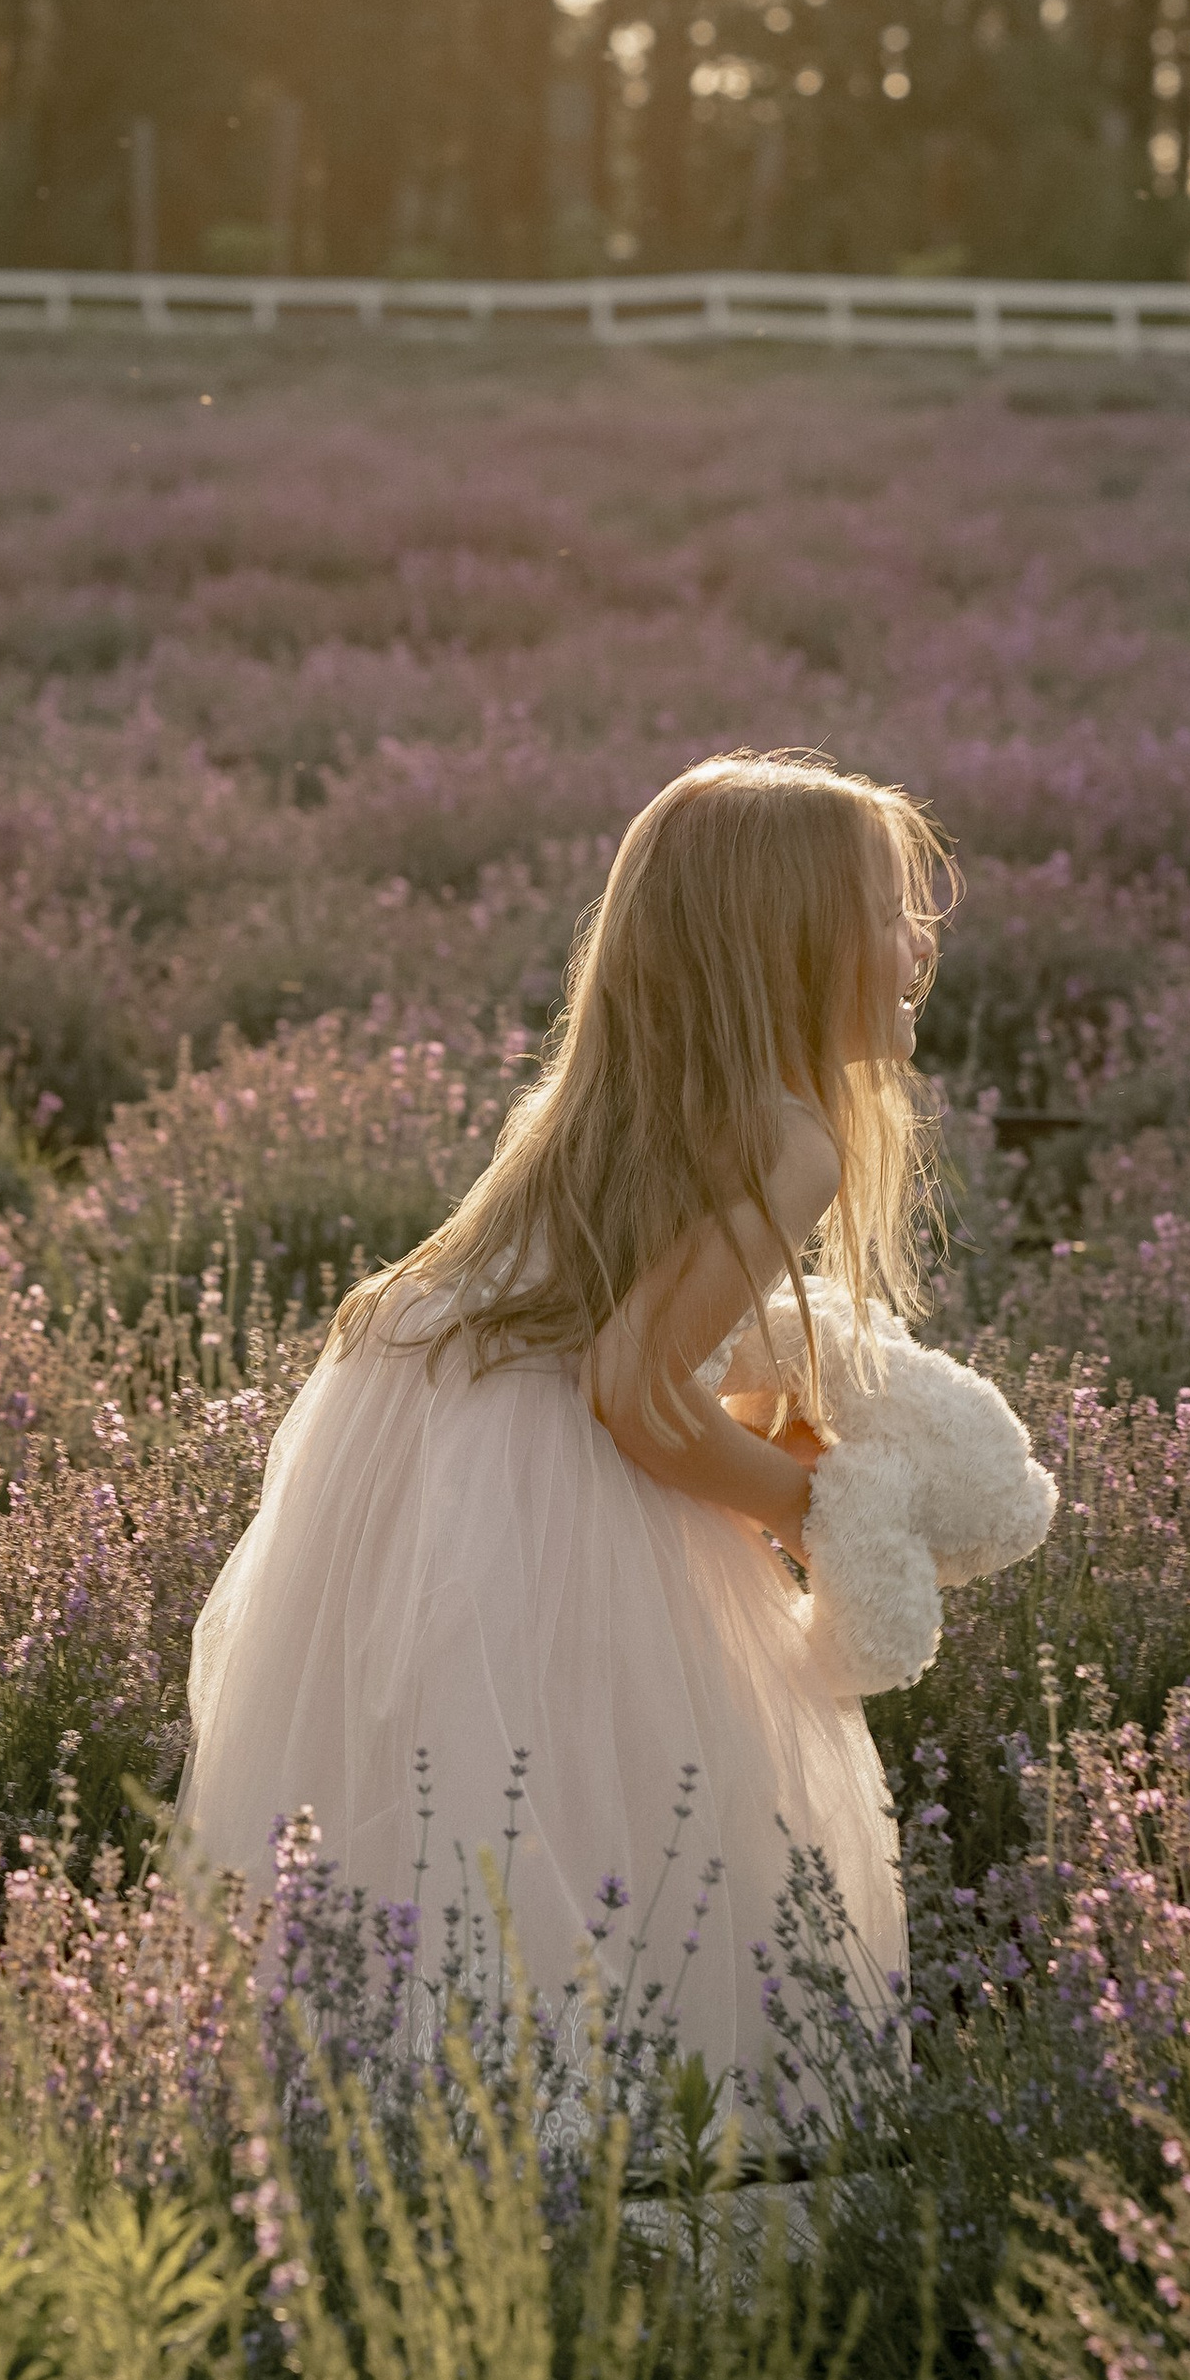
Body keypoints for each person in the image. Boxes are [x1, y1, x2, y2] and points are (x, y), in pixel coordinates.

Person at [174, 749, 951, 2101]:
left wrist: (769, 1431)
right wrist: (826, 1515)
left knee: (456, 1808)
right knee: (634, 1821)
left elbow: (633, 1342)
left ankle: (414, 2145)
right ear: (795, 943)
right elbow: (633, 1390)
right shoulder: (786, 1140)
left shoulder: (616, 1106)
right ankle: (609, 2193)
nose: (916, 942)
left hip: (430, 1446)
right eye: (888, 910)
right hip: (543, 1471)